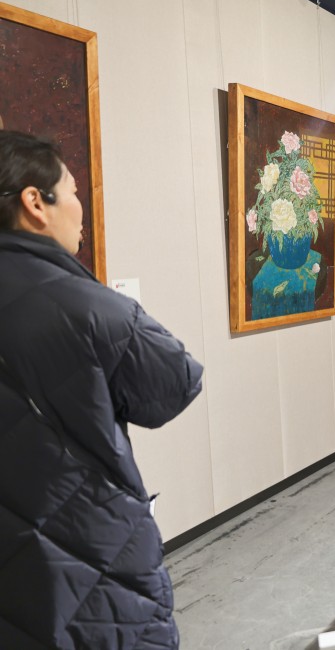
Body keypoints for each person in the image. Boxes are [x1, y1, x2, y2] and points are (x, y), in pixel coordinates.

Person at [0, 130, 204, 648]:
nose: (80, 208)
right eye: (72, 191)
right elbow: (175, 383)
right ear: (35, 202)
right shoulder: (81, 304)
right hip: (85, 554)